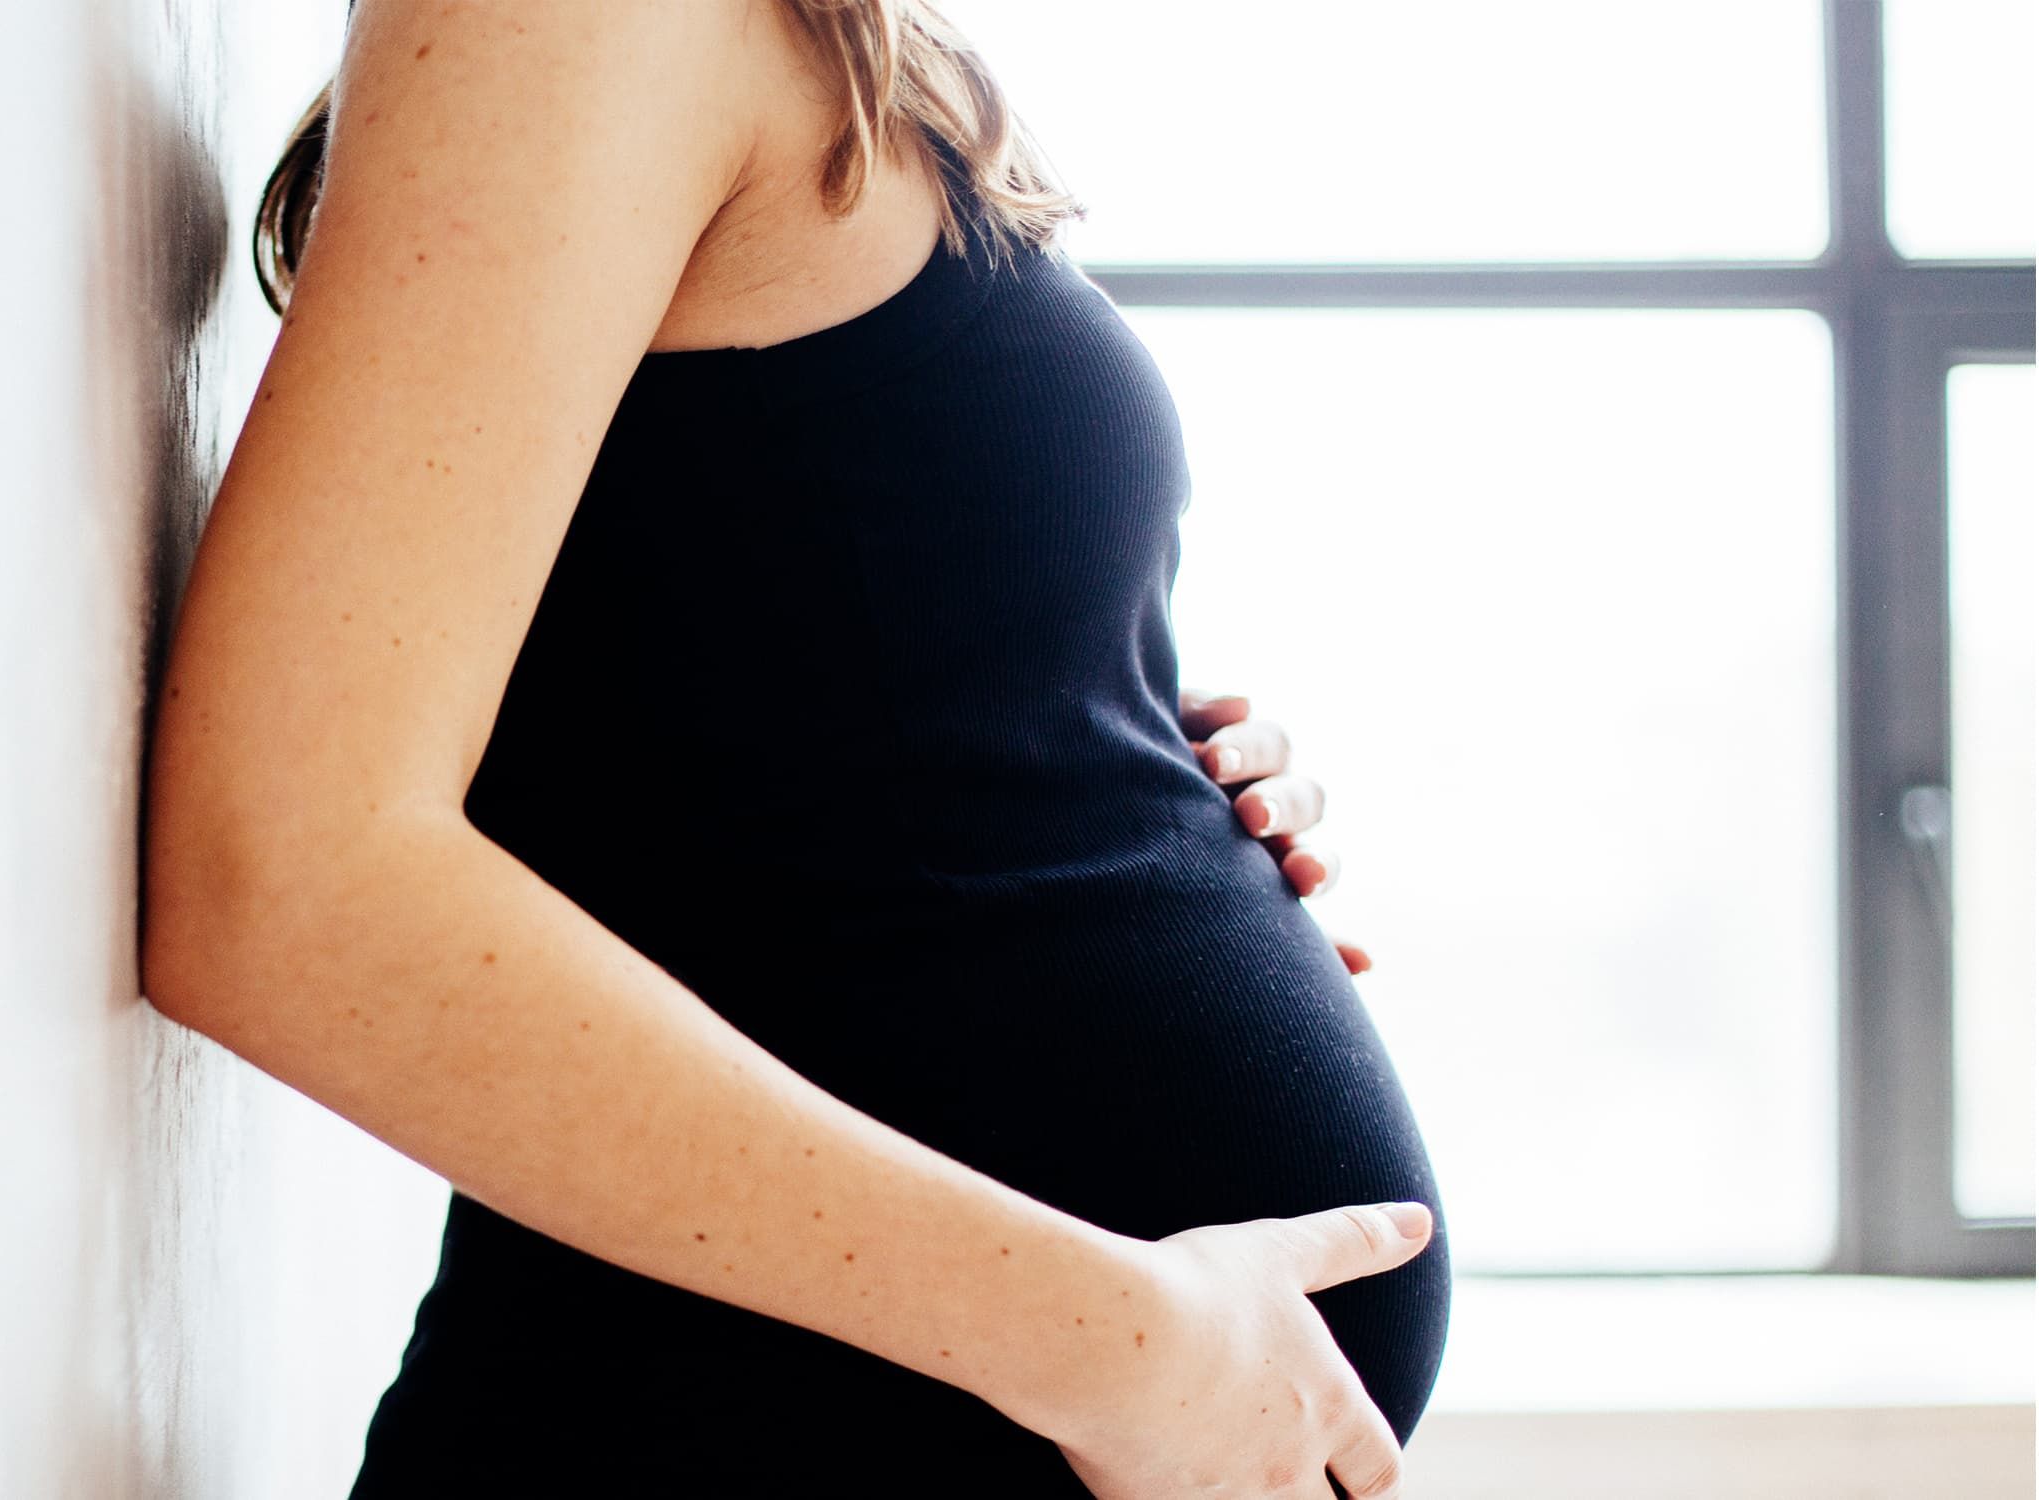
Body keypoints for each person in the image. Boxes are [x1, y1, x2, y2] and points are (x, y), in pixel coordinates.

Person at [141, 1, 1450, 1494]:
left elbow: (750, 688)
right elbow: (285, 880)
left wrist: (1110, 766)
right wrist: (1117, 1343)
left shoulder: (818, 42)